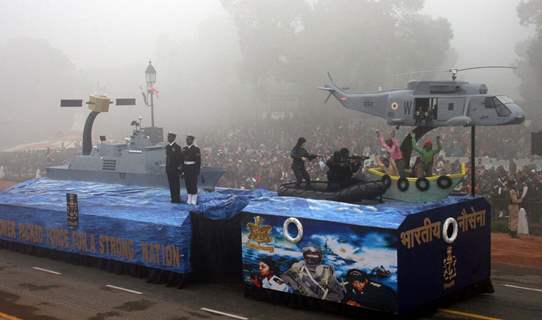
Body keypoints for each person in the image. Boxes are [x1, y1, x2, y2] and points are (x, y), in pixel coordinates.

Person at [280, 245, 344, 302]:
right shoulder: (298, 268)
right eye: (309, 255)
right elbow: (284, 277)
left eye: (314, 255)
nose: (311, 258)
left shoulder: (326, 273)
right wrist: (295, 286)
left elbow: (339, 294)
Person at [183, 135, 201, 205]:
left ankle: (194, 199)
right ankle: (189, 198)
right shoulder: (184, 149)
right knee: (187, 184)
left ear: (192, 141)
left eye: (189, 140)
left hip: (193, 168)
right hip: (186, 168)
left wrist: (197, 170)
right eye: (187, 140)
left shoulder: (196, 149)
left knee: (193, 184)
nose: (187, 141)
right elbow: (182, 160)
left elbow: (198, 161)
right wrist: (182, 171)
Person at [165, 132, 183, 203]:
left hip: (175, 169)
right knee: (171, 185)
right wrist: (166, 168)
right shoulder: (167, 147)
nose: (168, 138)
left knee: (176, 185)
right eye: (168, 137)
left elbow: (180, 159)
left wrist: (180, 169)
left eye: (170, 137)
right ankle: (173, 198)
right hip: (169, 169)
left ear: (173, 138)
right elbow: (167, 158)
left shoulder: (177, 147)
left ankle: (177, 198)